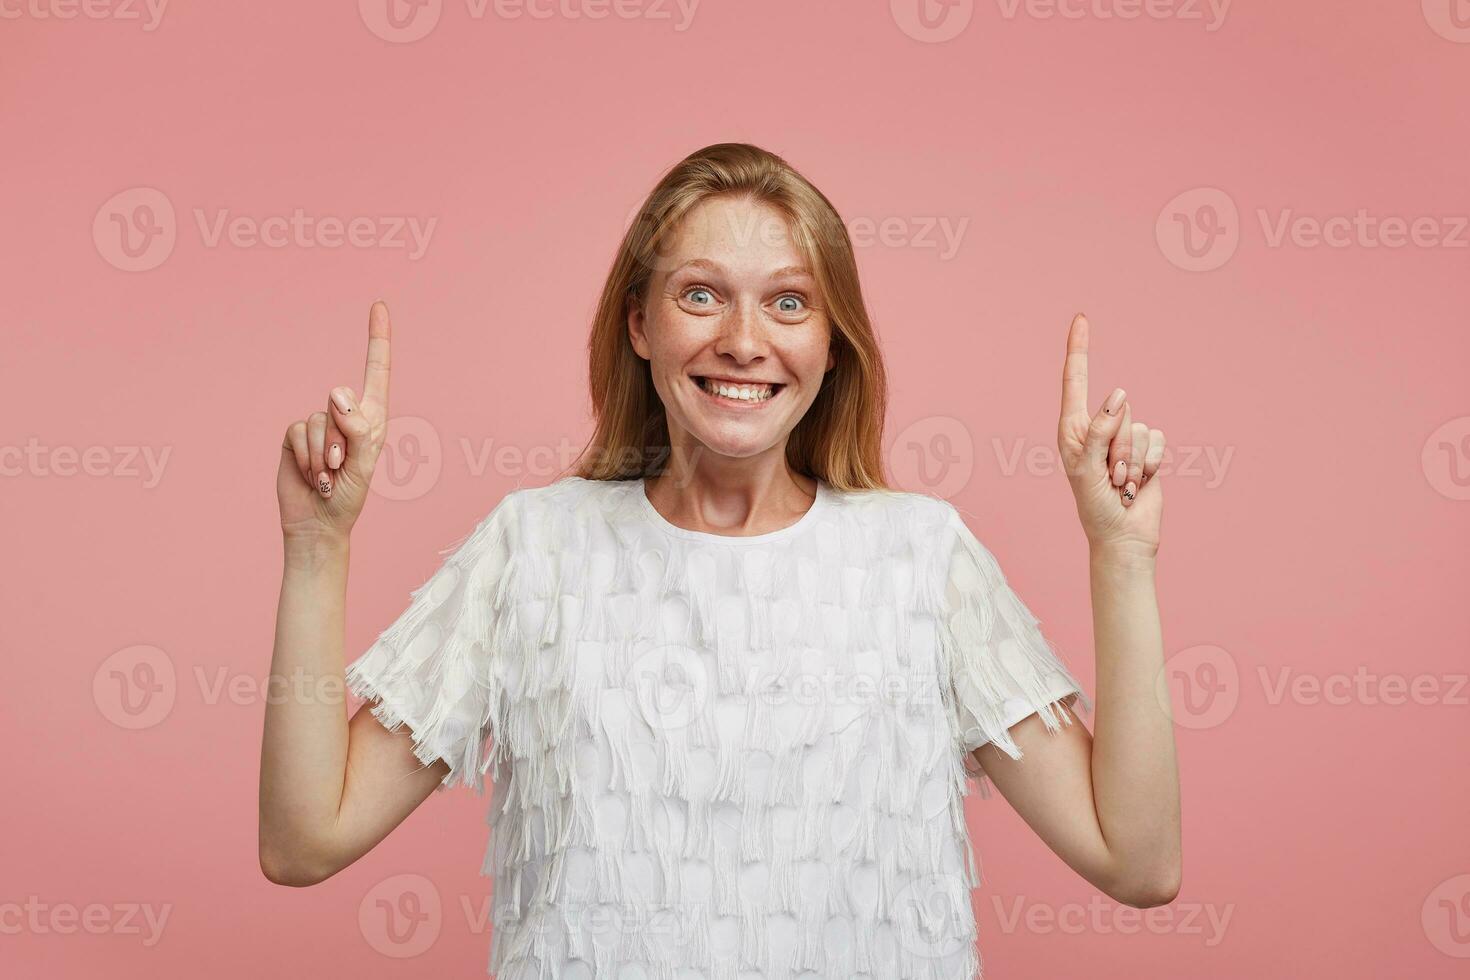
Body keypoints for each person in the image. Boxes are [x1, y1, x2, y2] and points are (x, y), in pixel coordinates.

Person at [258, 143, 1181, 979]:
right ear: (638, 324)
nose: (744, 340)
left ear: (831, 344)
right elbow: (304, 842)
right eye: (701, 294)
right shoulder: (533, 548)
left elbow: (1137, 863)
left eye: (789, 302)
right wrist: (317, 545)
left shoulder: (919, 556)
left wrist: (1122, 555)